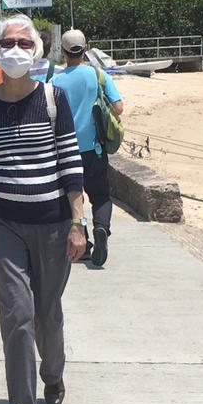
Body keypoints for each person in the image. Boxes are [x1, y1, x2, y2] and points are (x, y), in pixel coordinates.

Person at [0, 14, 86, 404]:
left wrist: (78, 223)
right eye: (7, 43)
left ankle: (53, 374)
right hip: (2, 223)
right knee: (18, 313)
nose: (15, 50)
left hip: (52, 224)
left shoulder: (52, 99)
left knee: (47, 313)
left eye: (24, 43)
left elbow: (70, 163)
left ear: (37, 51)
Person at [46, 28, 125, 267]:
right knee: (100, 195)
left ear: (63, 51)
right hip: (95, 149)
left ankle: (85, 244)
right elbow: (119, 107)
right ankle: (102, 227)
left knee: (73, 198)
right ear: (85, 49)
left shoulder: (55, 81)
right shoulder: (98, 75)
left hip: (66, 151)